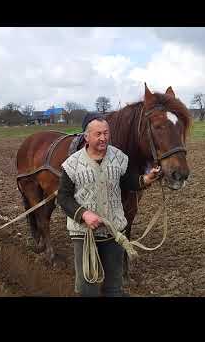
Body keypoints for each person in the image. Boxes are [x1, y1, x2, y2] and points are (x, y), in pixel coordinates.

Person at [57, 114, 161, 297]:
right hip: (84, 235)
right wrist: (84, 215)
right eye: (98, 134)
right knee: (88, 288)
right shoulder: (71, 164)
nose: (103, 138)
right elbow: (63, 198)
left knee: (114, 288)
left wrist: (146, 179)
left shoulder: (119, 158)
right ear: (86, 137)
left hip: (113, 232)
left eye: (106, 133)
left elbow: (129, 182)